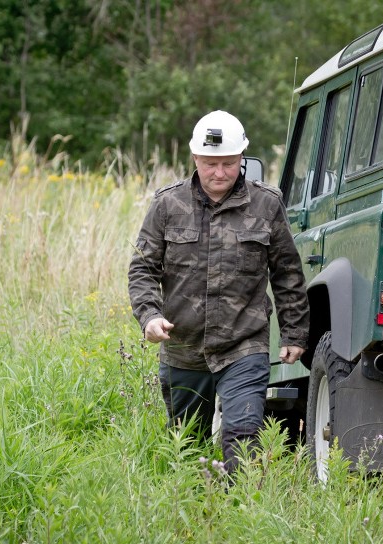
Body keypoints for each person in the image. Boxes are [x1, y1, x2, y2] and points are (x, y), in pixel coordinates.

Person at [128, 110, 309, 471]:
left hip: (244, 344)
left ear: (242, 158)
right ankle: (196, 516)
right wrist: (149, 316)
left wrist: (294, 332)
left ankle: (239, 512)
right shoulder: (168, 205)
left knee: (243, 436)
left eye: (229, 163)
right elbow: (143, 268)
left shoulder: (267, 204)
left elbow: (287, 272)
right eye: (211, 164)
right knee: (187, 445)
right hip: (183, 347)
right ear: (195, 158)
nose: (220, 173)